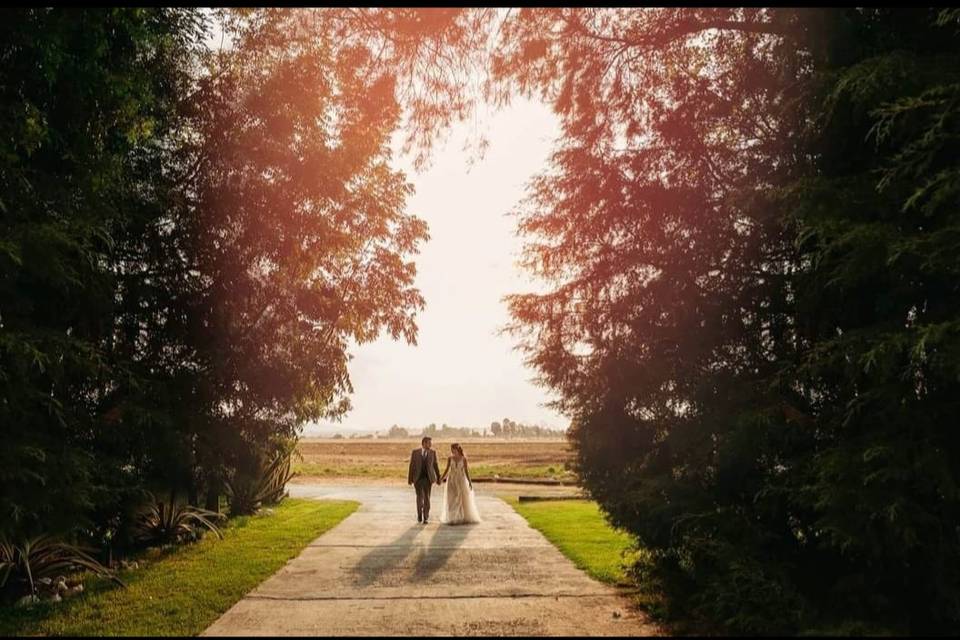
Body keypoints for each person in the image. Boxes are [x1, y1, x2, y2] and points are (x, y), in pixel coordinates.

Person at [439, 443, 482, 525]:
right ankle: (452, 517)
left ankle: (461, 517)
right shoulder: (449, 458)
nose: (452, 451)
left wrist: (469, 481)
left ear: (457, 449)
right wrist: (441, 478)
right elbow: (447, 469)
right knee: (451, 499)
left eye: (453, 449)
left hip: (461, 480)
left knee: (461, 499)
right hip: (451, 480)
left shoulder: (464, 459)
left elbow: (466, 471)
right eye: (451, 449)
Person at [407, 436, 441, 524]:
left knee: (427, 498)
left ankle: (425, 517)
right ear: (424, 443)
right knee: (419, 498)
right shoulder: (415, 453)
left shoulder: (433, 453)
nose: (431, 445)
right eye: (429, 443)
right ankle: (419, 516)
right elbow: (412, 466)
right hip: (417, 479)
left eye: (431, 443)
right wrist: (410, 479)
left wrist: (438, 478)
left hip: (428, 479)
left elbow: (435, 466)